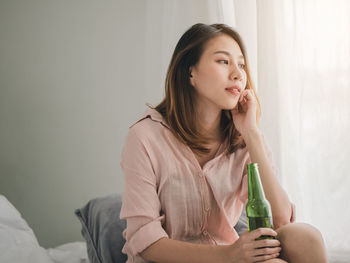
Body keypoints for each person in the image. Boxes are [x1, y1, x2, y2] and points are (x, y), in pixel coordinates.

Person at [120, 23, 328, 263]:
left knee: (306, 237)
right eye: (223, 61)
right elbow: (146, 241)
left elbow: (281, 219)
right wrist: (229, 254)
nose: (238, 74)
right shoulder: (145, 136)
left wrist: (251, 133)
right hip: (176, 259)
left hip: (229, 256)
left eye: (241, 64)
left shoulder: (242, 138)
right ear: (190, 73)